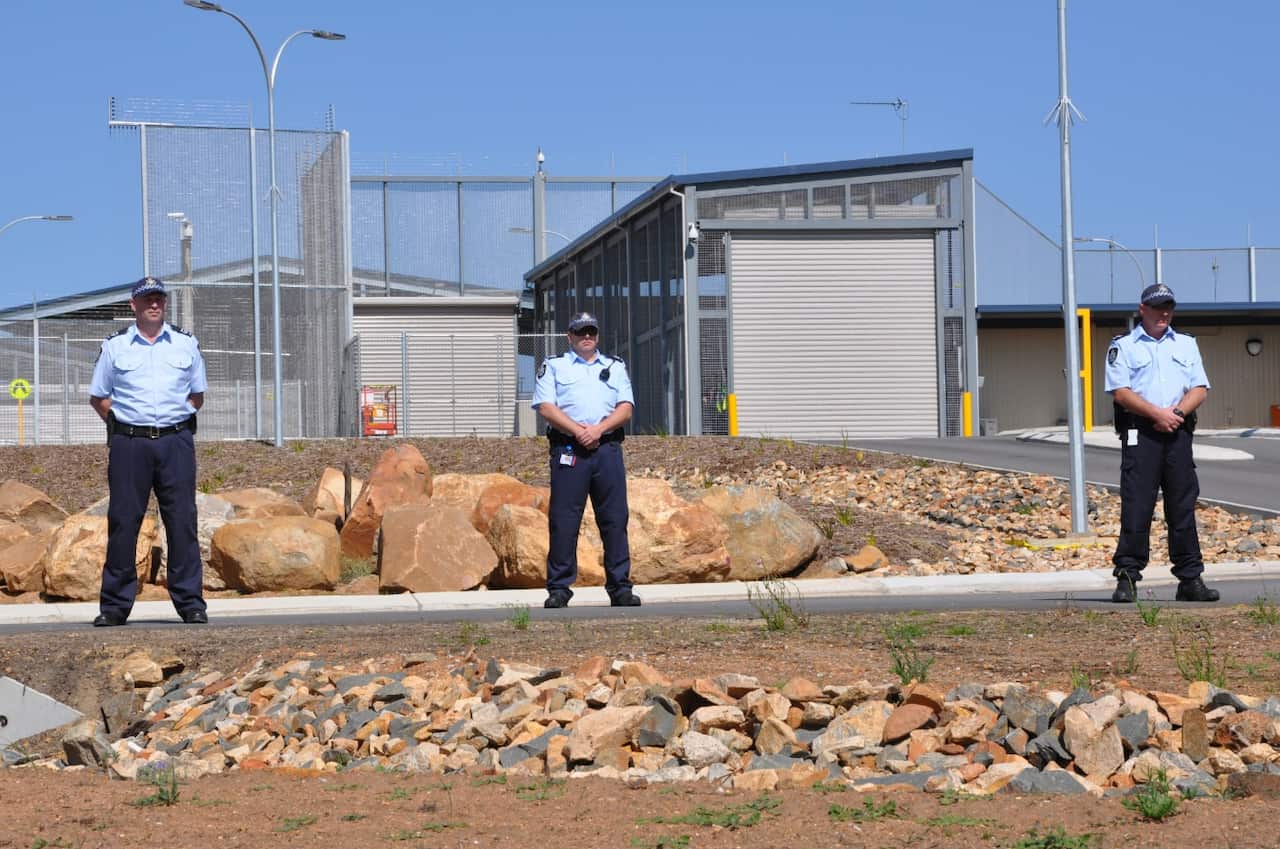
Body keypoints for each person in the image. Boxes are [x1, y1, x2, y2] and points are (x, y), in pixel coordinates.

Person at [88, 277, 209, 626]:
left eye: (158, 299)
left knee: (182, 521)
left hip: (176, 443)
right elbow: (99, 397)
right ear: (134, 305)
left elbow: (196, 396)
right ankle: (114, 606)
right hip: (130, 445)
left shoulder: (185, 344)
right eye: (146, 300)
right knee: (124, 522)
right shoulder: (116, 346)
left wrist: (172, 422)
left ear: (165, 303)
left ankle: (191, 604)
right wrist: (125, 426)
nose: (153, 304)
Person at [1104, 283, 1218, 604]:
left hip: (1177, 431)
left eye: (1168, 307)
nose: (1164, 313)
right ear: (1143, 309)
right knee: (1137, 504)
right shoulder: (1124, 346)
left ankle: (1190, 579)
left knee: (1182, 504)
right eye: (1157, 307)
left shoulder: (1186, 344)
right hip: (1141, 433)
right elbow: (1120, 392)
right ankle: (1127, 578)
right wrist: (1157, 414)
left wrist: (1176, 414)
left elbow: (1199, 388)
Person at [532, 311, 640, 609]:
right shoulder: (555, 366)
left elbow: (625, 408)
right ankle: (559, 588)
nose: (587, 336)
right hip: (570, 449)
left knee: (615, 519)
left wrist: (598, 430)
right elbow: (546, 407)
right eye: (581, 332)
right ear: (570, 337)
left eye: (591, 331)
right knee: (564, 520)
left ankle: (620, 588)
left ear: (597, 335)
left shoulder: (614, 366)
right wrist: (579, 431)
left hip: (606, 450)